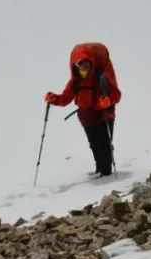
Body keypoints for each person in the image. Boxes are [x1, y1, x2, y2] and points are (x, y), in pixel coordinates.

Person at [44, 42, 122, 177]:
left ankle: (106, 173)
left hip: (103, 114)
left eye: (86, 63)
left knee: (104, 144)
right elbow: (65, 98)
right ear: (75, 65)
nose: (83, 67)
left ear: (91, 62)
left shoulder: (101, 77)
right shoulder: (75, 81)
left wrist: (107, 101)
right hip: (87, 117)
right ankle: (100, 169)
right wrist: (54, 99)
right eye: (80, 64)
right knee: (94, 144)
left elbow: (116, 94)